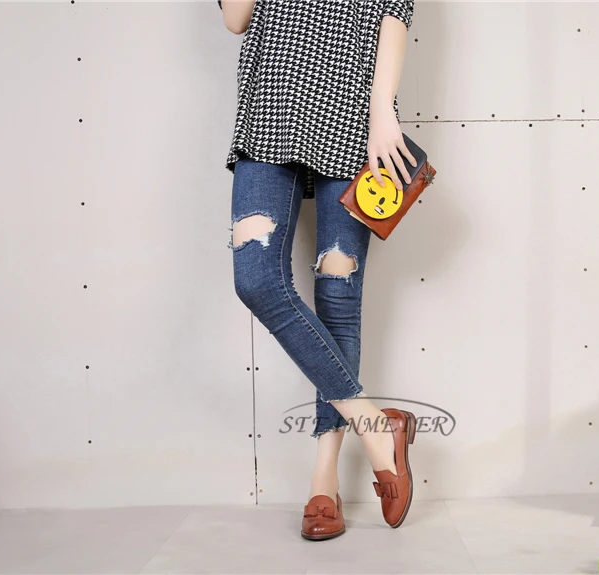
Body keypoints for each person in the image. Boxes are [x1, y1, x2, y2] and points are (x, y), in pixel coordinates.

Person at [218, 0, 418, 540]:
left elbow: (394, 11)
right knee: (256, 280)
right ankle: (377, 428)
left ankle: (323, 480)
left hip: (354, 111)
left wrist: (383, 111)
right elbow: (236, 19)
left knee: (338, 293)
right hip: (270, 104)